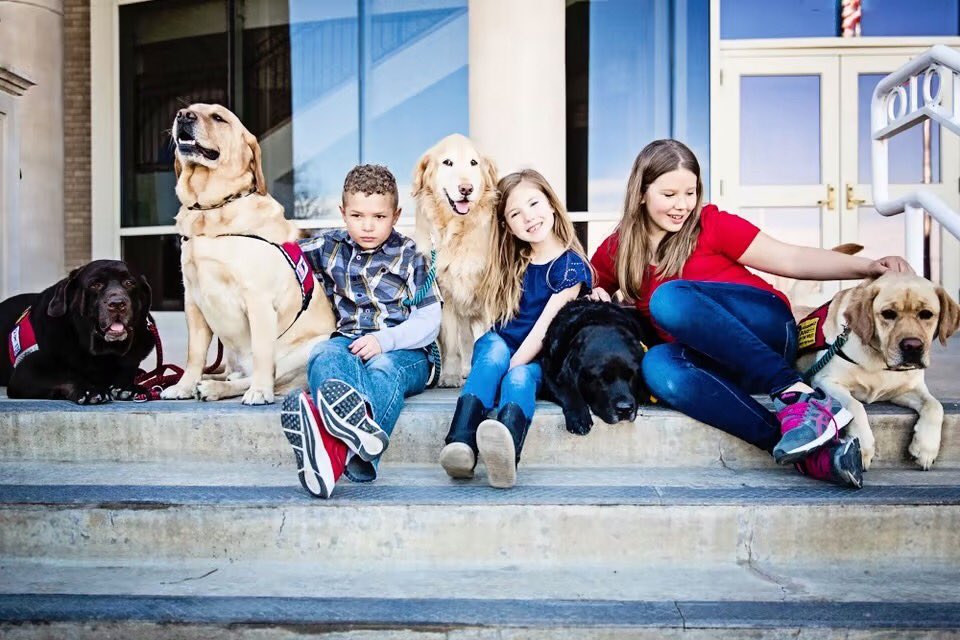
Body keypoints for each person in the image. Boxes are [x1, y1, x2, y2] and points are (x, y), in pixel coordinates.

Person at [589, 139, 912, 489]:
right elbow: (578, 287)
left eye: (690, 192)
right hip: (722, 364)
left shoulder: (710, 224)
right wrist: (595, 296)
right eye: (669, 195)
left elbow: (791, 259)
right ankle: (813, 455)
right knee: (657, 367)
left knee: (668, 300)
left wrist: (867, 267)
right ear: (641, 193)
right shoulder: (617, 250)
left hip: (766, 331)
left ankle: (798, 395)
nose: (682, 206)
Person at [280, 164, 441, 499]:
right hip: (349, 343)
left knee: (383, 369)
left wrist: (385, 341)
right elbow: (282, 256)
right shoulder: (327, 247)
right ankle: (355, 440)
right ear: (342, 213)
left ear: (396, 216)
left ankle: (334, 450)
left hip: (406, 352)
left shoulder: (412, 256)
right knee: (324, 352)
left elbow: (429, 323)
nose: (367, 226)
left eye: (379, 217)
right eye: (357, 215)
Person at [440, 169, 592, 488]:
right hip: (501, 347)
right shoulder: (512, 259)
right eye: (515, 214)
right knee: (493, 350)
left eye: (535, 204)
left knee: (519, 376)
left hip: (541, 359)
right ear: (507, 225)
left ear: (552, 204)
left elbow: (543, 329)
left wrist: (512, 367)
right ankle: (461, 444)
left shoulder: (570, 268)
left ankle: (505, 452)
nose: (529, 217)